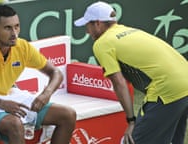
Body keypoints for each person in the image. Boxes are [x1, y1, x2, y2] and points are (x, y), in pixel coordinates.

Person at [0, 5, 76, 144]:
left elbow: (55, 72)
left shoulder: (22, 46)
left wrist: (46, 94)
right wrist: (0, 103)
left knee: (68, 115)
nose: (14, 33)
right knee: (15, 125)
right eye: (8, 28)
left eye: (17, 26)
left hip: (8, 97)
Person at [74, 1, 188, 144]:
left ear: (97, 23)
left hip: (167, 89)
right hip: (184, 81)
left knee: (134, 140)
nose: (87, 31)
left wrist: (131, 121)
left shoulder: (102, 43)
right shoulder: (128, 30)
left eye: (88, 26)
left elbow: (119, 82)